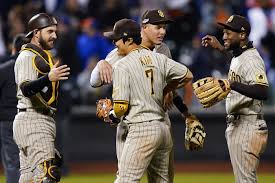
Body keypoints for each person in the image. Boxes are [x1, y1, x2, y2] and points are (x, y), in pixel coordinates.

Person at [90, 9, 193, 182]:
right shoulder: (122, 54)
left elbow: (121, 106)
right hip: (147, 125)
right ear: (143, 28)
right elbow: (187, 74)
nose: (163, 31)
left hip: (142, 124)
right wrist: (102, 63)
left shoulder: (159, 51)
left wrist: (179, 105)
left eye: (164, 27)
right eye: (158, 27)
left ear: (126, 39)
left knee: (127, 178)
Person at [201, 15, 269, 183]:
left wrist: (231, 84)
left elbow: (262, 91)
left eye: (228, 33)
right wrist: (219, 47)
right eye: (224, 32)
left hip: (246, 125)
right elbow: (238, 61)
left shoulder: (252, 59)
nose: (224, 36)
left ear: (242, 35)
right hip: (243, 124)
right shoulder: (241, 55)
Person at [13, 13, 70, 183]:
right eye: (50, 31)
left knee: (28, 178)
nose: (55, 35)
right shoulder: (27, 56)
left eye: (55, 31)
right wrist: (48, 78)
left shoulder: (41, 56)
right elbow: (26, 88)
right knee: (48, 176)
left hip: (33, 120)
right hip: (33, 119)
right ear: (36, 33)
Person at [0, 34, 28, 183]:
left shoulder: (3, 69)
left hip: (8, 120)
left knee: (12, 162)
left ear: (13, 49)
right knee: (32, 162)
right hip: (28, 119)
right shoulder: (35, 69)